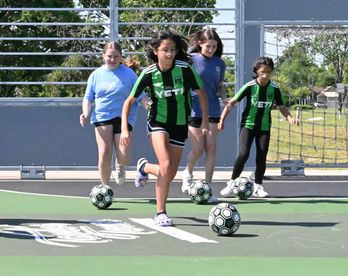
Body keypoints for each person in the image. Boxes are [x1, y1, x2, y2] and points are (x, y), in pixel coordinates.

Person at [121, 30, 209, 226]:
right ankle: (161, 212)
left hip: (179, 124)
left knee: (170, 173)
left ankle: (145, 167)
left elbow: (201, 94)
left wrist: (203, 121)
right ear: (155, 51)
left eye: (173, 50)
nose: (169, 54)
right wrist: (125, 129)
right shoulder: (149, 74)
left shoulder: (185, 69)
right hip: (158, 122)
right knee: (166, 164)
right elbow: (129, 101)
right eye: (165, 50)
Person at [218, 56, 298, 198]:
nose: (265, 75)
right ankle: (231, 183)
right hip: (248, 126)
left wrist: (290, 118)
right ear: (257, 71)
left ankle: (258, 186)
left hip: (264, 127)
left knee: (261, 157)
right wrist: (222, 120)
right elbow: (231, 103)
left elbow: (282, 107)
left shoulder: (274, 89)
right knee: (243, 154)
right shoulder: (249, 87)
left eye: (268, 72)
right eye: (262, 72)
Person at [80, 42, 145, 186]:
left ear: (121, 57)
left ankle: (120, 166)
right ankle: (105, 187)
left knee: (124, 157)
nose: (112, 59)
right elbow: (88, 98)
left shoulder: (129, 74)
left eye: (116, 56)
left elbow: (141, 95)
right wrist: (85, 113)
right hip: (102, 117)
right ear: (103, 56)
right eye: (109, 56)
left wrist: (149, 105)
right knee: (104, 152)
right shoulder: (96, 75)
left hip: (124, 119)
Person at [180, 28, 226, 204]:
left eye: (214, 46)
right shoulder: (191, 61)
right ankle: (188, 172)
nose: (211, 49)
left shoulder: (219, 64)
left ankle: (208, 187)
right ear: (199, 43)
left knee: (211, 148)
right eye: (208, 46)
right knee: (198, 149)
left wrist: (224, 98)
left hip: (213, 108)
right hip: (194, 109)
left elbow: (220, 85)